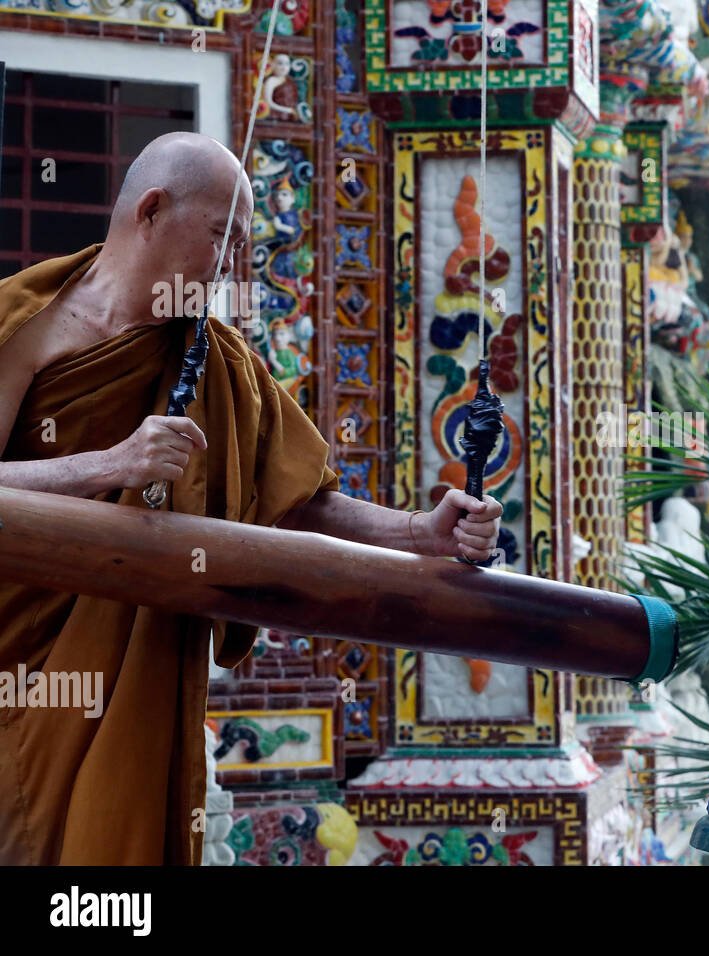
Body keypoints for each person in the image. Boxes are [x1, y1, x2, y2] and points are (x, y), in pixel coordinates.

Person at [0, 132, 503, 864]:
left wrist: (422, 532)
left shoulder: (218, 361)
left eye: (241, 244)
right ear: (150, 211)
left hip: (134, 677)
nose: (229, 264)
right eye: (220, 237)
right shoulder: (26, 322)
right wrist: (108, 464)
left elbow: (300, 503)